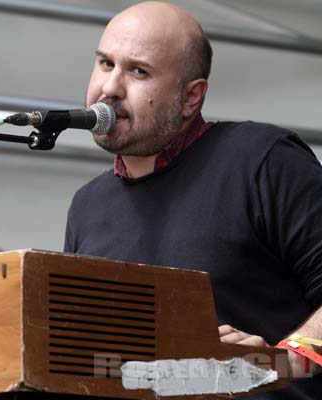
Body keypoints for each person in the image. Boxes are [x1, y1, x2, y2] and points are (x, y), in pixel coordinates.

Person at [63, 2, 322, 399]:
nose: (110, 87)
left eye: (138, 71)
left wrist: (284, 360)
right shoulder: (87, 206)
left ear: (191, 97)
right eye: (105, 63)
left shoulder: (264, 161)